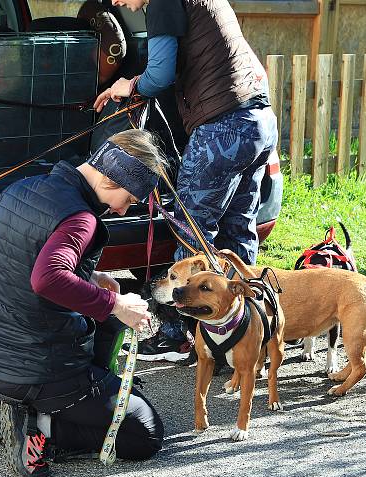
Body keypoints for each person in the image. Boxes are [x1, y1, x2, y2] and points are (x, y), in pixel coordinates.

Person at [0, 130, 166, 477]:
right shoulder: (80, 218)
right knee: (145, 432)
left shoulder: (21, 189)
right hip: (38, 372)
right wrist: (117, 304)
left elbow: (23, 263)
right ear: (108, 178)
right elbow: (46, 278)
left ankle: (44, 407)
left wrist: (92, 278)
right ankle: (42, 428)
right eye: (128, 198)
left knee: (106, 312)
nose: (122, 209)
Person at [94, 0, 278, 363]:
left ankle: (179, 335)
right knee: (238, 230)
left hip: (221, 130)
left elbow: (160, 73)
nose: (115, 1)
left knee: (191, 231)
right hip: (259, 120)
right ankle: (243, 332)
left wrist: (129, 85)